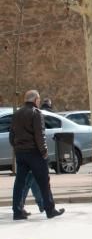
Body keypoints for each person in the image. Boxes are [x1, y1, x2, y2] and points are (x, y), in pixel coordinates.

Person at [10, 89, 63, 220]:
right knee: (44, 182)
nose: (39, 102)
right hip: (35, 153)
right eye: (38, 100)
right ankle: (50, 210)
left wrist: (17, 147)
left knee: (19, 183)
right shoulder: (36, 113)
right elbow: (40, 135)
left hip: (21, 153)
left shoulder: (17, 114)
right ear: (35, 100)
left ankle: (17, 211)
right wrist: (44, 153)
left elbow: (12, 136)